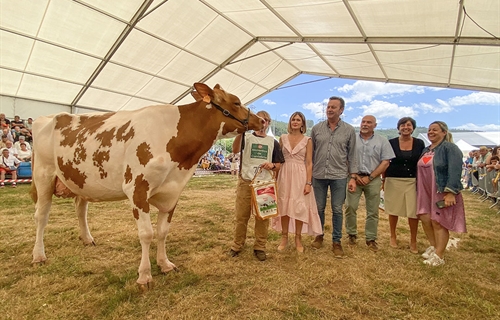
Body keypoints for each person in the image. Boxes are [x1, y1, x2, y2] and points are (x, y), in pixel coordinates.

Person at [229, 110, 285, 261]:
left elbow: (279, 165)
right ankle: (237, 245)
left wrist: (271, 165)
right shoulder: (246, 137)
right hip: (246, 182)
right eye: (260, 120)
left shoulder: (272, 142)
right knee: (241, 216)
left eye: (265, 120)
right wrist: (241, 131)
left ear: (269, 123)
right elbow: (234, 150)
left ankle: (260, 247)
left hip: (264, 183)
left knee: (263, 217)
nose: (263, 122)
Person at [310, 96, 358, 258]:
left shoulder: (349, 130)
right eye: (328, 107)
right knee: (319, 208)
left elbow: (352, 155)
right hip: (318, 175)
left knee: (337, 209)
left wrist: (353, 177)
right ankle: (319, 235)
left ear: (341, 110)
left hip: (339, 175)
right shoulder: (316, 129)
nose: (330, 109)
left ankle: (336, 242)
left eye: (333, 107)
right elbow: (311, 154)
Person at [417, 121, 466, 266]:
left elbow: (455, 170)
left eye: (435, 130)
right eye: (429, 130)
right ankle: (434, 246)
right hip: (424, 190)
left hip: (440, 190)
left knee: (438, 221)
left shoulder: (450, 148)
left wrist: (450, 192)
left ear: (444, 132)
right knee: (425, 218)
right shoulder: (426, 150)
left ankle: (439, 255)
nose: (431, 132)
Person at [272, 112, 322, 253]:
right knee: (284, 206)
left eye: (298, 120)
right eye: (293, 119)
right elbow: (278, 159)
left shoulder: (308, 140)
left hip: (300, 176)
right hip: (284, 174)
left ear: (302, 123)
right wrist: (275, 179)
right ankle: (284, 237)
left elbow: (309, 163)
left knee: (299, 207)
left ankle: (298, 238)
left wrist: (308, 182)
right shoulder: (282, 138)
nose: (295, 122)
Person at [345, 115, 395, 252]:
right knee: (350, 207)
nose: (365, 124)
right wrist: (353, 175)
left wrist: (371, 177)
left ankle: (371, 238)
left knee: (372, 211)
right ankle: (351, 234)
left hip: (372, 180)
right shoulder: (352, 139)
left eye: (369, 122)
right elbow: (345, 157)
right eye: (363, 122)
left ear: (375, 125)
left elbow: (385, 162)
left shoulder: (382, 141)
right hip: (353, 178)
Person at [383, 117, 425, 253]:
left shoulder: (419, 143)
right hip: (393, 179)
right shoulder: (391, 143)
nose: (405, 127)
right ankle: (393, 236)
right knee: (393, 210)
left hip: (413, 181)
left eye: (408, 125)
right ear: (398, 128)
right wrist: (383, 180)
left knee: (413, 212)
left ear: (413, 128)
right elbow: (385, 161)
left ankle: (413, 241)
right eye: (402, 125)